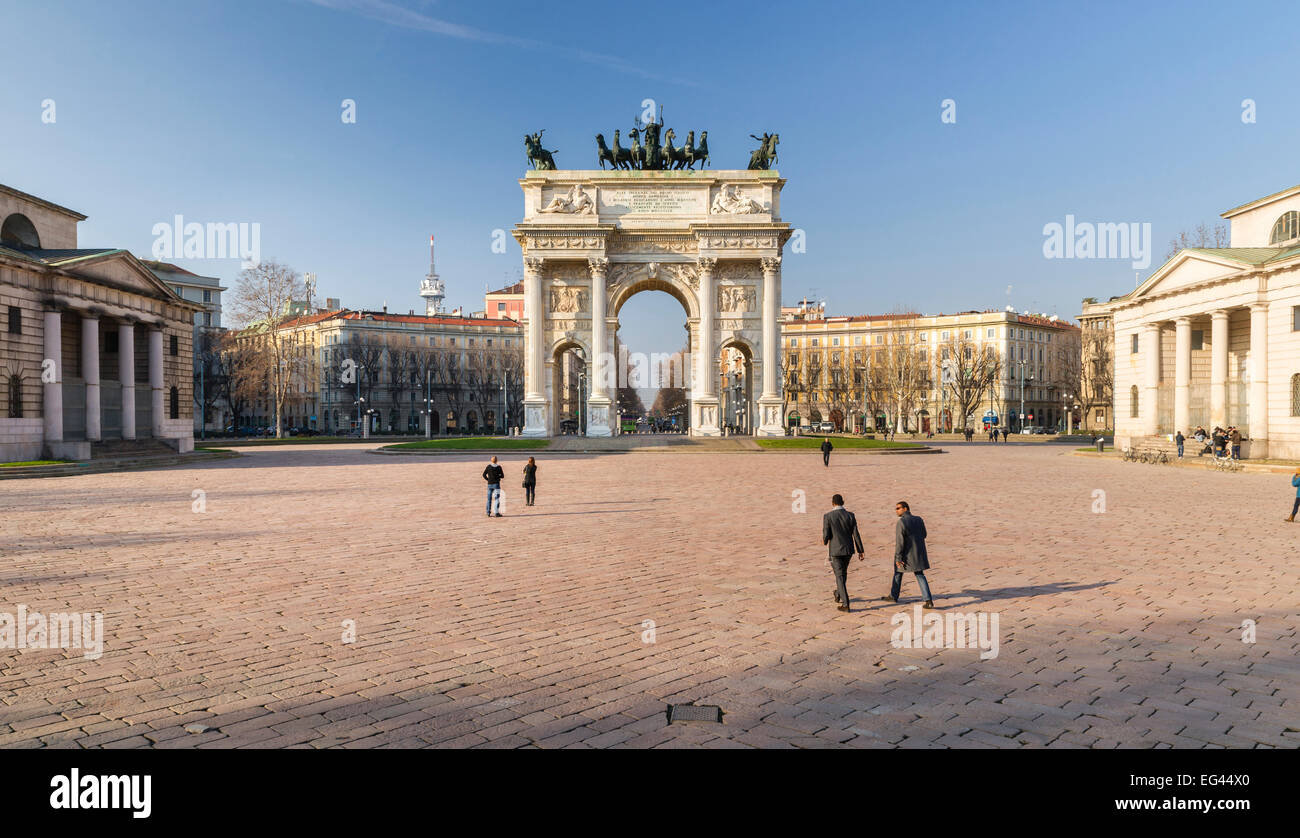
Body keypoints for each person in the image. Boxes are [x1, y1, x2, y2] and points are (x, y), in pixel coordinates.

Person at [882, 501, 934, 608]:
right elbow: (924, 534)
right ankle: (928, 600)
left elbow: (900, 542)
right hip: (918, 553)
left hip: (906, 555)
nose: (896, 510)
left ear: (905, 508)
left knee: (898, 573)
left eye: (898, 508)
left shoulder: (901, 522)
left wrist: (898, 557)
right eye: (896, 508)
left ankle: (893, 596)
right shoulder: (919, 519)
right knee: (919, 575)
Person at [822, 494, 865, 612]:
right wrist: (860, 550)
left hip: (835, 551)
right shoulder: (850, 515)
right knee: (842, 574)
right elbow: (856, 534)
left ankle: (846, 604)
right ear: (843, 502)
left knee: (840, 576)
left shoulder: (828, 516)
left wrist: (825, 541)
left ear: (832, 503)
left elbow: (826, 534)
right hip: (848, 550)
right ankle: (838, 593)